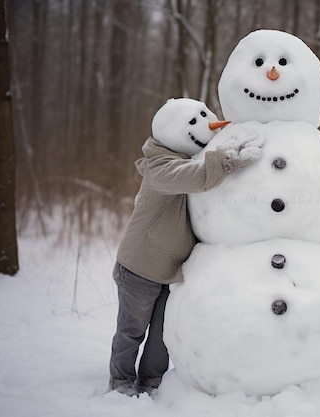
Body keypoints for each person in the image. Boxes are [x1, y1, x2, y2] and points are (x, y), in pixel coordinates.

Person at [108, 98, 263, 396]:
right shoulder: (159, 168)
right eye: (194, 121)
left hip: (171, 271)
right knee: (132, 331)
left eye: (205, 116)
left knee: (162, 336)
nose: (207, 123)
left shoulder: (190, 161)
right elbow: (193, 177)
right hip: (139, 268)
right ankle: (121, 382)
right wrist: (227, 160)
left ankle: (152, 382)